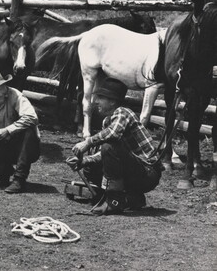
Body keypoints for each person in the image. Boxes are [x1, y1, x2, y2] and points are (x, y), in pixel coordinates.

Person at [68, 77, 162, 215]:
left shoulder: (123, 112)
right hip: (137, 171)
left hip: (148, 172)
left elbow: (113, 134)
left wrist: (87, 142)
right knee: (95, 162)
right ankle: (132, 198)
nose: (96, 101)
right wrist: (83, 162)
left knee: (108, 146)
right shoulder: (108, 121)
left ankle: (114, 201)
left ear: (112, 101)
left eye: (100, 97)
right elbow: (104, 154)